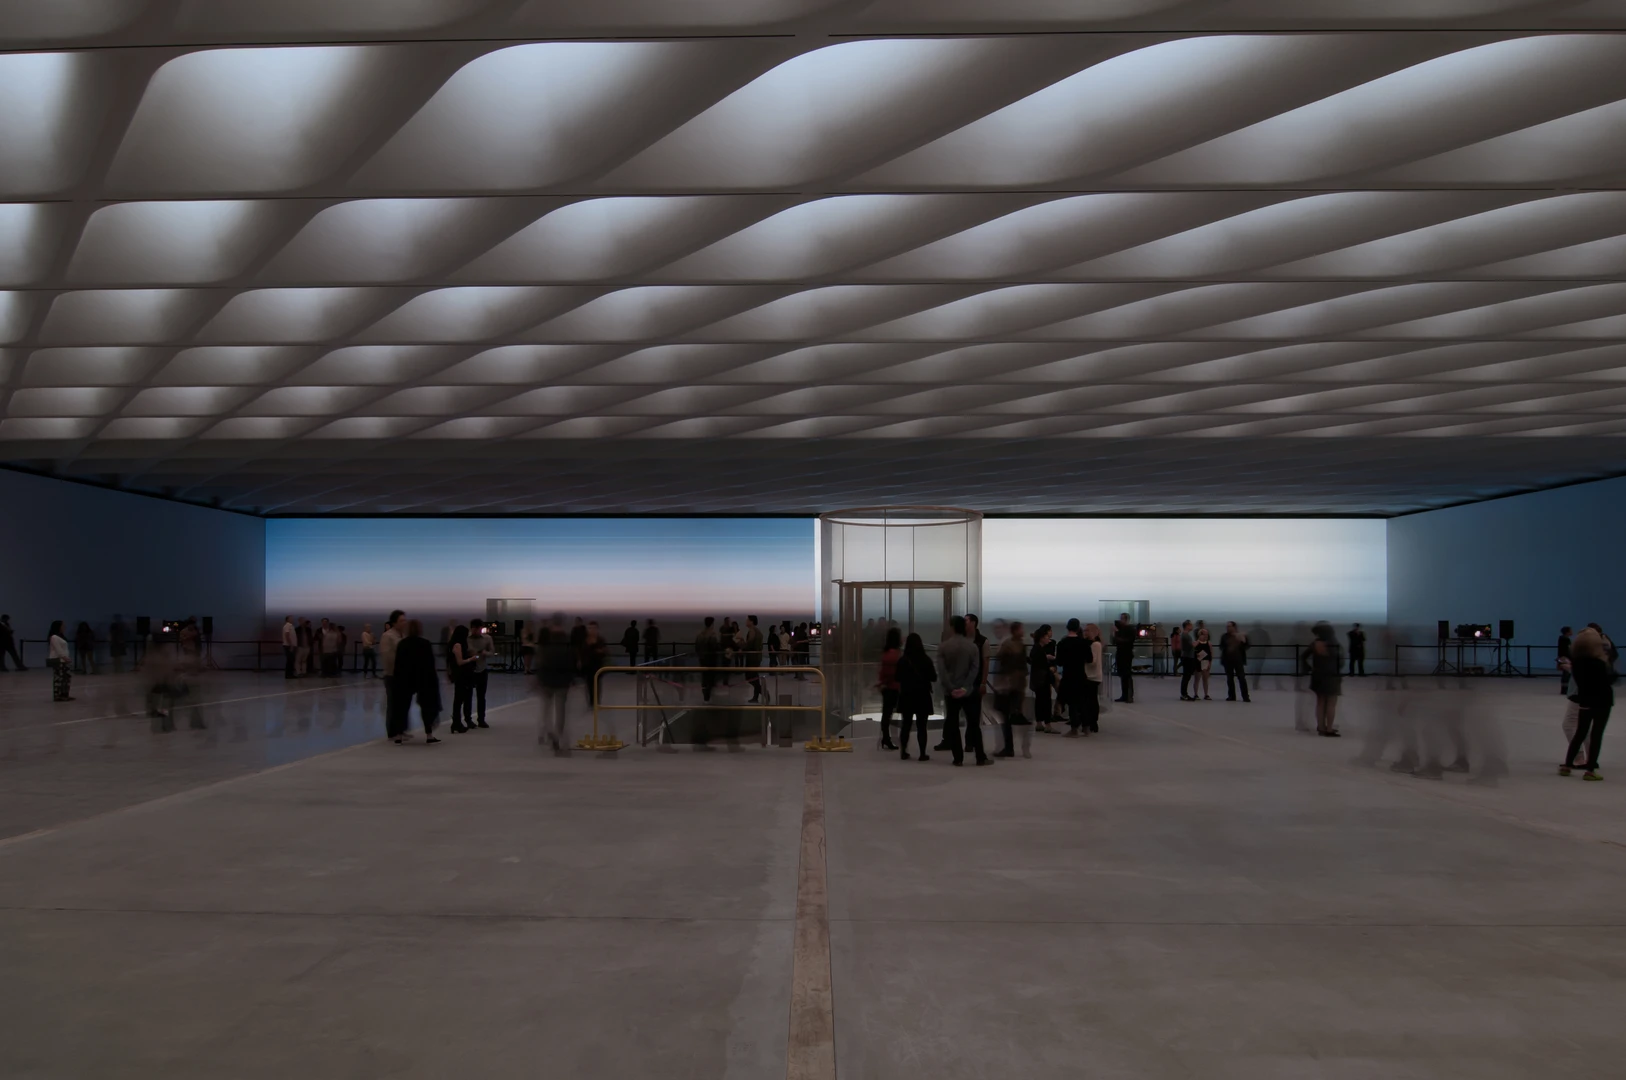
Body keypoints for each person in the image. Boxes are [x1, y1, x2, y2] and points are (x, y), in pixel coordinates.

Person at [1561, 624, 1616, 780]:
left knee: (1580, 732)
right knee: (1596, 733)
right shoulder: (1599, 663)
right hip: (1602, 700)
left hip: (1585, 700)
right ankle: (1590, 770)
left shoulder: (1577, 663)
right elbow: (1610, 679)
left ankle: (1567, 765)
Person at [939, 616, 989, 766]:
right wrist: (965, 687)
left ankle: (958, 758)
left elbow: (942, 672)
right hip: (969, 692)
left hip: (951, 692)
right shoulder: (972, 647)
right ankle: (980, 757)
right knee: (974, 724)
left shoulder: (944, 647)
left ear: (953, 627)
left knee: (953, 724)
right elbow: (975, 669)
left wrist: (951, 688)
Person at [391, 620, 442, 744]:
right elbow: (430, 664)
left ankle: (398, 735)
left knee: (402, 706)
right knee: (426, 706)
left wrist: (396, 680)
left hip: (405, 678)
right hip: (423, 678)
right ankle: (429, 734)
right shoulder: (425, 643)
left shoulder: (402, 644)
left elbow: (398, 665)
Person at [536, 617, 575, 754]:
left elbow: (540, 662)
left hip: (547, 680)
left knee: (546, 710)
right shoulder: (568, 643)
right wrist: (571, 679)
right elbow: (572, 663)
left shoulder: (545, 643)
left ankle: (549, 731)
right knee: (561, 712)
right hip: (563, 682)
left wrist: (539, 679)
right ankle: (559, 735)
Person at [895, 631, 936, 761]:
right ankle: (922, 753)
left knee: (906, 725)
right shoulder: (926, 659)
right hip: (922, 695)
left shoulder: (903, 661)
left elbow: (897, 677)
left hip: (906, 695)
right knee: (922, 726)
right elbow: (933, 677)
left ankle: (903, 752)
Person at [994, 622, 1031, 758]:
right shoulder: (1013, 645)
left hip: (1012, 686)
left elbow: (1001, 664)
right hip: (1012, 686)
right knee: (1009, 717)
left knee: (1008, 717)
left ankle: (1009, 747)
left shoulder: (1013, 645)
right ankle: (1012, 747)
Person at [1054, 619, 1089, 738]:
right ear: (1078, 628)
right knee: (1083, 701)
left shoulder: (1062, 643)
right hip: (1081, 674)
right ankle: (1086, 727)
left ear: (1067, 627)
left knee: (1072, 703)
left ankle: (1074, 729)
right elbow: (1090, 659)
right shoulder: (1084, 643)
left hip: (1069, 675)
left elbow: (1059, 662)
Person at [1309, 622, 1343, 737]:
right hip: (1331, 675)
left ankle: (1321, 727)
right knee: (1331, 703)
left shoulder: (1314, 644)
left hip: (1317, 675)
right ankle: (1329, 728)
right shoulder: (1333, 643)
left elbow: (1303, 657)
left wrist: (1310, 668)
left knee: (1320, 702)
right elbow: (1340, 660)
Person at [380, 611, 407, 739]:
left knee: (402, 703)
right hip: (392, 674)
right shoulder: (387, 636)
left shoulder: (404, 635)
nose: (404, 623)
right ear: (394, 622)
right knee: (393, 703)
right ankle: (392, 731)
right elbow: (387, 656)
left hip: (403, 674)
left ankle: (401, 729)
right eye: (401, 620)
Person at [446, 624, 476, 733]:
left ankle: (457, 722)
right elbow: (460, 662)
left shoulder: (453, 643)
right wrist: (471, 659)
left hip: (461, 674)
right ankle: (456, 722)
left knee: (460, 698)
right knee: (459, 699)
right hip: (461, 674)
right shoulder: (457, 645)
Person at [1075, 623, 1104, 735]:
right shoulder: (1093, 644)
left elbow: (1093, 661)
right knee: (1090, 700)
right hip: (1090, 676)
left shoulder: (1095, 644)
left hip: (1092, 676)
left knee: (1091, 700)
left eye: (1087, 630)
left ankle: (1092, 722)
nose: (1085, 632)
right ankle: (1090, 721)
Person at [876, 626, 902, 751]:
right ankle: (887, 738)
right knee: (888, 714)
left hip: (887, 687)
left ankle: (886, 738)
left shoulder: (887, 653)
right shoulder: (895, 655)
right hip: (893, 687)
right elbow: (892, 673)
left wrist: (882, 683)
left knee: (887, 714)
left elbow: (884, 672)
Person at [1029, 624, 1058, 734]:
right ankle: (1048, 724)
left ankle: (1039, 723)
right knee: (1046, 701)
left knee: (1039, 701)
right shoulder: (1039, 650)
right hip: (1042, 679)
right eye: (1046, 637)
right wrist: (1050, 667)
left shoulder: (1036, 649)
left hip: (1037, 679)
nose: (1048, 639)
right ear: (1042, 638)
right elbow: (1041, 664)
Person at [467, 619, 495, 728]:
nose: (476, 631)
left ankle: (481, 719)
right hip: (470, 669)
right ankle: (468, 719)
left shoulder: (487, 638)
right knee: (468, 696)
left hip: (482, 669)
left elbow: (492, 652)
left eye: (478, 629)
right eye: (474, 628)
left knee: (481, 696)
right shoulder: (466, 638)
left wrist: (484, 653)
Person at [1220, 621, 1251, 702]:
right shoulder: (1225, 636)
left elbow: (1247, 646)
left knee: (1241, 678)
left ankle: (1245, 696)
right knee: (1229, 678)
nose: (1228, 628)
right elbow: (1221, 646)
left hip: (1238, 660)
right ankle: (1231, 696)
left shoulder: (1241, 635)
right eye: (1227, 626)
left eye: (1229, 626)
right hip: (1228, 660)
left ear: (1234, 627)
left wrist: (1243, 641)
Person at [696, 616, 722, 701]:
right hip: (711, 659)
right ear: (712, 624)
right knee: (711, 677)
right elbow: (715, 647)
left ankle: (705, 694)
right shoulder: (712, 634)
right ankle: (708, 695)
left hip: (702, 658)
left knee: (704, 677)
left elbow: (697, 647)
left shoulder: (700, 634)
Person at [1112, 614, 1136, 703]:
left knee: (1127, 674)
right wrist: (1114, 633)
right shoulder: (1120, 630)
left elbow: (1128, 641)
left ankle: (1129, 695)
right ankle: (1124, 695)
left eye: (1122, 619)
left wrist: (1117, 633)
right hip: (1120, 653)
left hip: (1127, 654)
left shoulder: (1131, 629)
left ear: (1126, 620)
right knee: (1122, 675)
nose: (1120, 620)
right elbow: (1114, 641)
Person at [47, 620, 73, 701]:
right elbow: (58, 649)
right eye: (62, 626)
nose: (64, 627)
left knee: (66, 678)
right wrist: (64, 657)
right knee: (59, 678)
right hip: (59, 660)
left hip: (64, 660)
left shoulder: (61, 636)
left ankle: (65, 694)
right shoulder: (54, 637)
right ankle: (58, 695)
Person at [743, 615, 766, 704]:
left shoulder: (753, 631)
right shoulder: (756, 631)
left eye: (747, 620)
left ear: (751, 621)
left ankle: (763, 693)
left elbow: (748, 644)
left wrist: (740, 643)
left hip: (752, 658)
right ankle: (756, 696)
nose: (746, 621)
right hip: (755, 657)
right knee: (754, 677)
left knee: (750, 677)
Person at [1178, 620, 1198, 701]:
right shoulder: (1186, 636)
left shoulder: (1185, 635)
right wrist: (1197, 642)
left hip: (1187, 657)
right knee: (1186, 676)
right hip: (1188, 657)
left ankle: (1184, 693)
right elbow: (1191, 645)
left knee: (1187, 676)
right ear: (1187, 626)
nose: (1192, 626)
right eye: (1191, 625)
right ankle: (1184, 694)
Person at [1193, 628, 1213, 701]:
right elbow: (1192, 650)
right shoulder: (1196, 643)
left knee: (1205, 679)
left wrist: (1210, 664)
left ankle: (1206, 694)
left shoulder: (1209, 643)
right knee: (1197, 679)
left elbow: (1211, 654)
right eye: (1204, 634)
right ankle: (1196, 694)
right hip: (1198, 662)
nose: (1206, 636)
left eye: (1207, 634)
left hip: (1206, 661)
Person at [1558, 626, 1573, 695]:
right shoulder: (1566, 639)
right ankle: (1565, 689)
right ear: (1567, 632)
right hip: (1565, 658)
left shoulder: (1561, 638)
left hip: (1562, 657)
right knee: (1566, 674)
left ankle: (1564, 689)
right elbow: (1567, 650)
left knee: (1565, 673)